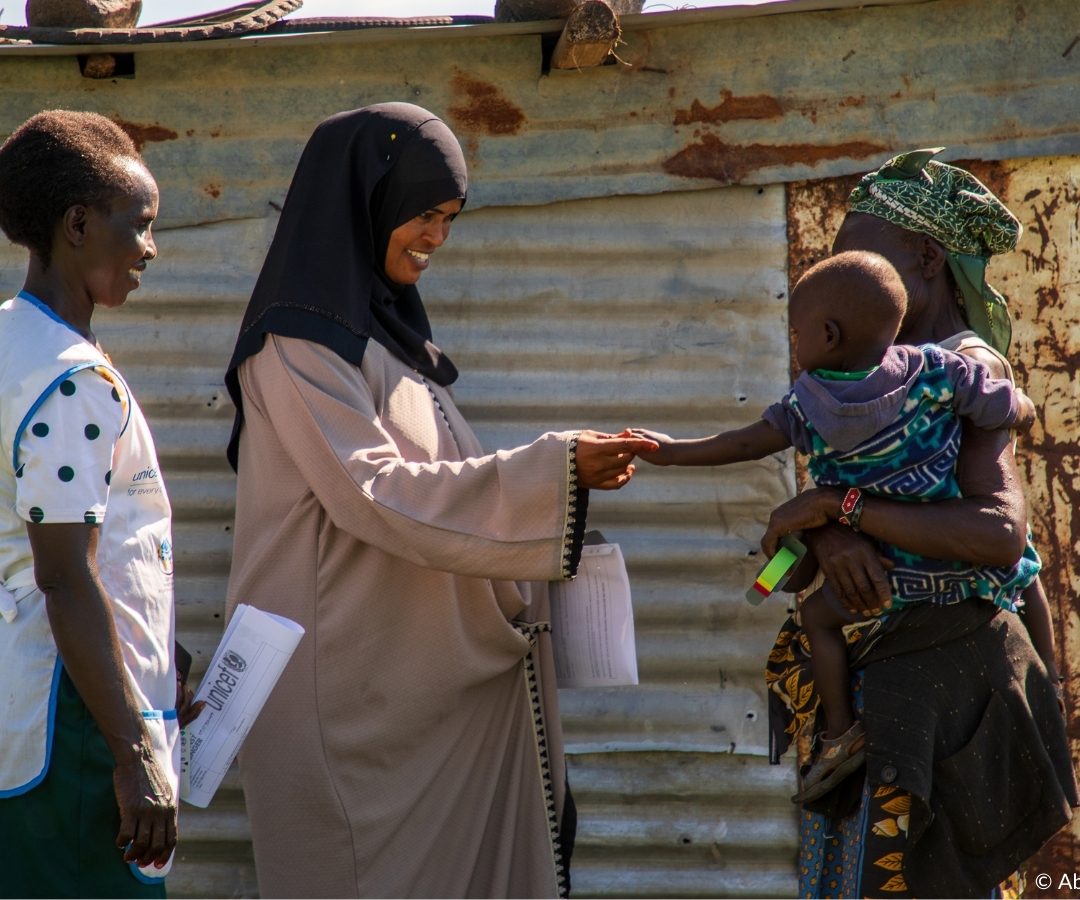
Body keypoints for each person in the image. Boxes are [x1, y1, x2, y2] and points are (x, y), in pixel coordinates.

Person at [222, 102, 657, 899]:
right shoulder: (297, 346)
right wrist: (555, 471)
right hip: (354, 718)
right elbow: (376, 494)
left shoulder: (386, 347)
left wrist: (558, 481)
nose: (437, 239)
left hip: (416, 703)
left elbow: (434, 487)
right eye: (425, 215)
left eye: (451, 219)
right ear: (368, 201)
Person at [760, 149, 1076, 898]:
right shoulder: (859, 387)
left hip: (946, 703)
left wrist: (843, 512)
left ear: (926, 259)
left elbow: (999, 535)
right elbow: (780, 571)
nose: (841, 283)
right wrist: (821, 534)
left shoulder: (963, 374)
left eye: (860, 262)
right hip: (873, 715)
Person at [632, 249, 1045, 804]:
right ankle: (1051, 696)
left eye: (796, 334)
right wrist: (1019, 408)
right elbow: (1006, 407)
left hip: (890, 578)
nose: (794, 348)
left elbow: (742, 443)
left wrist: (671, 452)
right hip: (950, 571)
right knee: (1023, 570)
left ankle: (838, 731)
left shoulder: (808, 405)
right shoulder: (938, 372)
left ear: (826, 336)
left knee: (812, 611)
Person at [0, 110, 200, 898]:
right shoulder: (70, 378)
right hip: (73, 733)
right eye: (139, 226)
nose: (150, 250)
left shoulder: (12, 344)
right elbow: (63, 579)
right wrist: (133, 758)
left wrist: (155, 649)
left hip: (32, 716)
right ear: (77, 223)